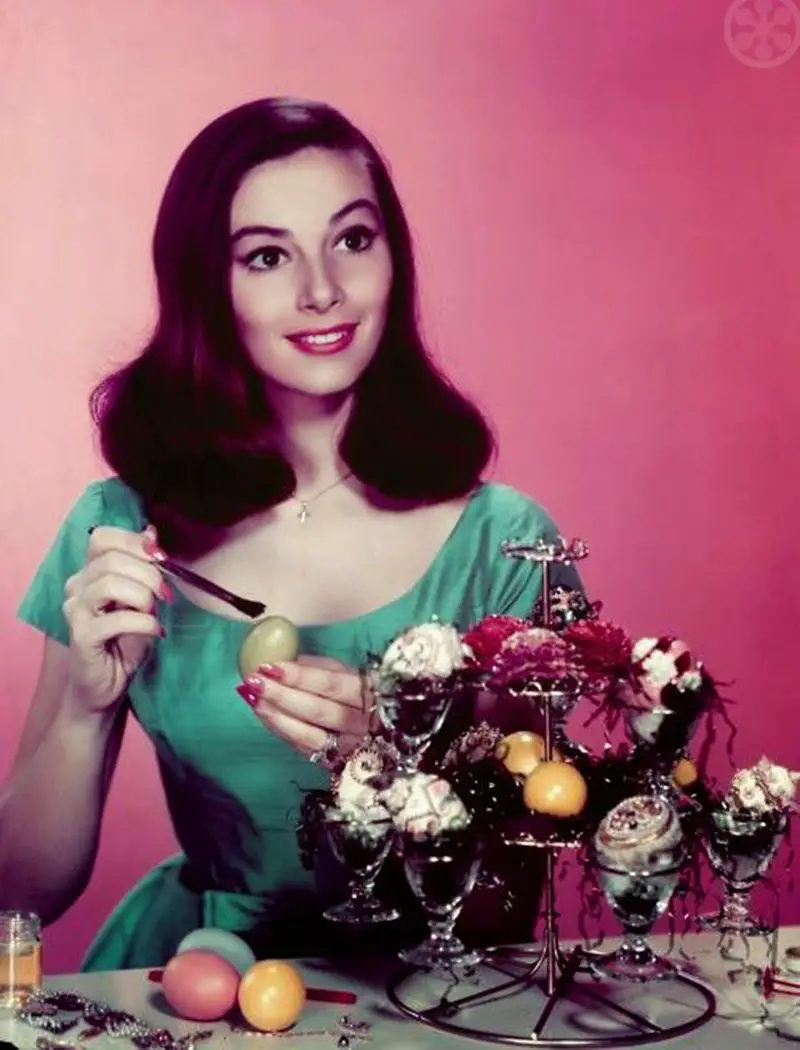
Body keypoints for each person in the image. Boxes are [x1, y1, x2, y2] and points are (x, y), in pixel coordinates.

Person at [1, 97, 580, 970]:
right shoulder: (121, 529)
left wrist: (393, 767)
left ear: (396, 259)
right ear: (208, 284)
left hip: (432, 1003)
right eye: (267, 256)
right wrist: (85, 708)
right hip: (192, 976)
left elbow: (511, 901)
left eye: (352, 240)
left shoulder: (508, 547)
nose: (322, 291)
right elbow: (19, 894)